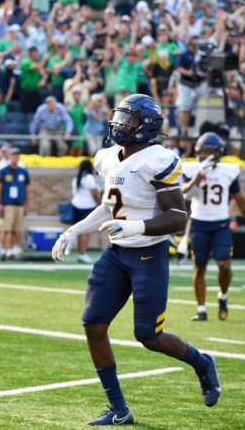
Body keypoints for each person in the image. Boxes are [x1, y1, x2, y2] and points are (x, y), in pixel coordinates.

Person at [52, 94, 221, 425]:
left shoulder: (158, 159)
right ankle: (119, 409)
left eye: (128, 120)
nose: (119, 124)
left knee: (149, 335)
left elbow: (177, 216)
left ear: (145, 127)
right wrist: (75, 231)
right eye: (120, 117)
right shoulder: (107, 158)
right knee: (93, 323)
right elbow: (109, 206)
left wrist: (135, 226)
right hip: (117, 254)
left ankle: (202, 363)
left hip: (148, 253)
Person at [181, 133, 245, 321]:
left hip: (221, 224)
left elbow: (240, 200)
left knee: (224, 266)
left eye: (211, 152)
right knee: (199, 267)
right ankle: (202, 309)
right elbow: (184, 194)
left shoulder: (227, 172)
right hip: (198, 224)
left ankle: (223, 295)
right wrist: (199, 176)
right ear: (198, 153)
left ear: (219, 154)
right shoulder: (192, 170)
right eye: (204, 152)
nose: (208, 156)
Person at [0, 148, 29, 260]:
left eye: (17, 155)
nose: (15, 158)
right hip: (7, 204)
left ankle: (11, 250)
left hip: (19, 204)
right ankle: (4, 249)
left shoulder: (23, 172)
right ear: (10, 157)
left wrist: (26, 203)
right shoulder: (3, 171)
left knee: (15, 229)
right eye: (13, 155)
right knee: (6, 229)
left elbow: (27, 189)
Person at [71, 159, 102, 264]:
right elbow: (94, 194)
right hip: (87, 207)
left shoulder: (77, 178)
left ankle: (81, 253)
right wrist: (101, 204)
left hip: (76, 205)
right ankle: (82, 254)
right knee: (85, 232)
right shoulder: (89, 178)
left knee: (80, 231)